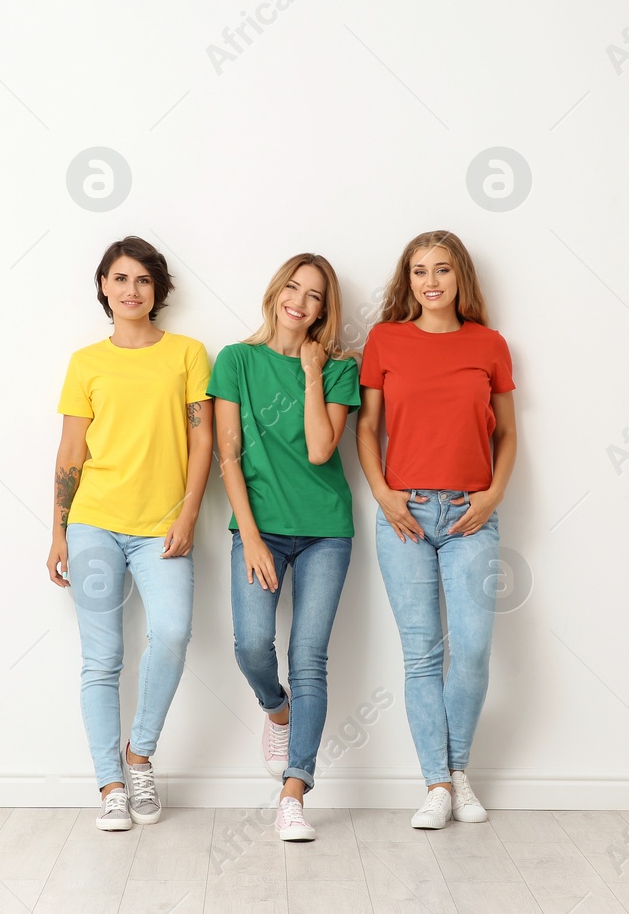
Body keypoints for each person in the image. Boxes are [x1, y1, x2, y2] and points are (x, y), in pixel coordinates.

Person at [47, 235, 213, 831]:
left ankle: (139, 755)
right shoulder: (86, 362)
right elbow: (71, 450)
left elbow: (203, 441)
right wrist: (59, 530)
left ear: (157, 290)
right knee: (103, 657)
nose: (131, 290)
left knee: (170, 633)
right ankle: (110, 785)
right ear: (103, 288)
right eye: (120, 279)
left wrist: (189, 513)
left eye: (142, 280)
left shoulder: (189, 354)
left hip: (162, 527)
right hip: (93, 520)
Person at [356, 230, 518, 829]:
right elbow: (366, 429)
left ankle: (455, 771)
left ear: (460, 279)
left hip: (473, 515)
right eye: (419, 270)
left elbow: (507, 433)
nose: (430, 281)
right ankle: (437, 785)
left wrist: (493, 494)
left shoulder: (491, 345)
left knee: (472, 651)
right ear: (408, 280)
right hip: (405, 517)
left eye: (442, 270)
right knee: (423, 655)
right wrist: (384, 495)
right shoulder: (385, 340)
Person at [210, 254, 359, 842]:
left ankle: (294, 792)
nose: (299, 301)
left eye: (314, 296)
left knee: (310, 658)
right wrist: (249, 537)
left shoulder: (341, 368)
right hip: (261, 528)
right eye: (292, 288)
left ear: (325, 309)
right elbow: (228, 456)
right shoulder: (236, 360)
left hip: (326, 529)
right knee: (251, 646)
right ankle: (277, 711)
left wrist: (314, 372)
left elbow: (322, 451)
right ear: (276, 292)